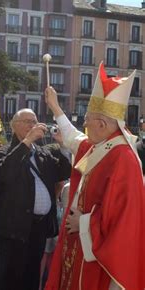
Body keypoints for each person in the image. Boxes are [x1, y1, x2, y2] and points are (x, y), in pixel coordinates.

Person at [44, 63, 145, 290]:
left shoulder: (123, 159)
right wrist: (56, 109)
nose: (84, 122)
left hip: (100, 266)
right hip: (81, 249)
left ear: (101, 124)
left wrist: (83, 222)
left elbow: (124, 220)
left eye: (87, 118)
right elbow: (75, 139)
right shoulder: (103, 146)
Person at [0, 108, 71, 290]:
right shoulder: (3, 150)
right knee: (12, 278)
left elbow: (64, 172)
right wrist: (27, 141)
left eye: (34, 121)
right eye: (27, 121)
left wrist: (64, 146)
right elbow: (5, 173)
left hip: (39, 227)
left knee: (32, 276)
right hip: (15, 229)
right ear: (14, 126)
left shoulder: (42, 152)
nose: (31, 125)